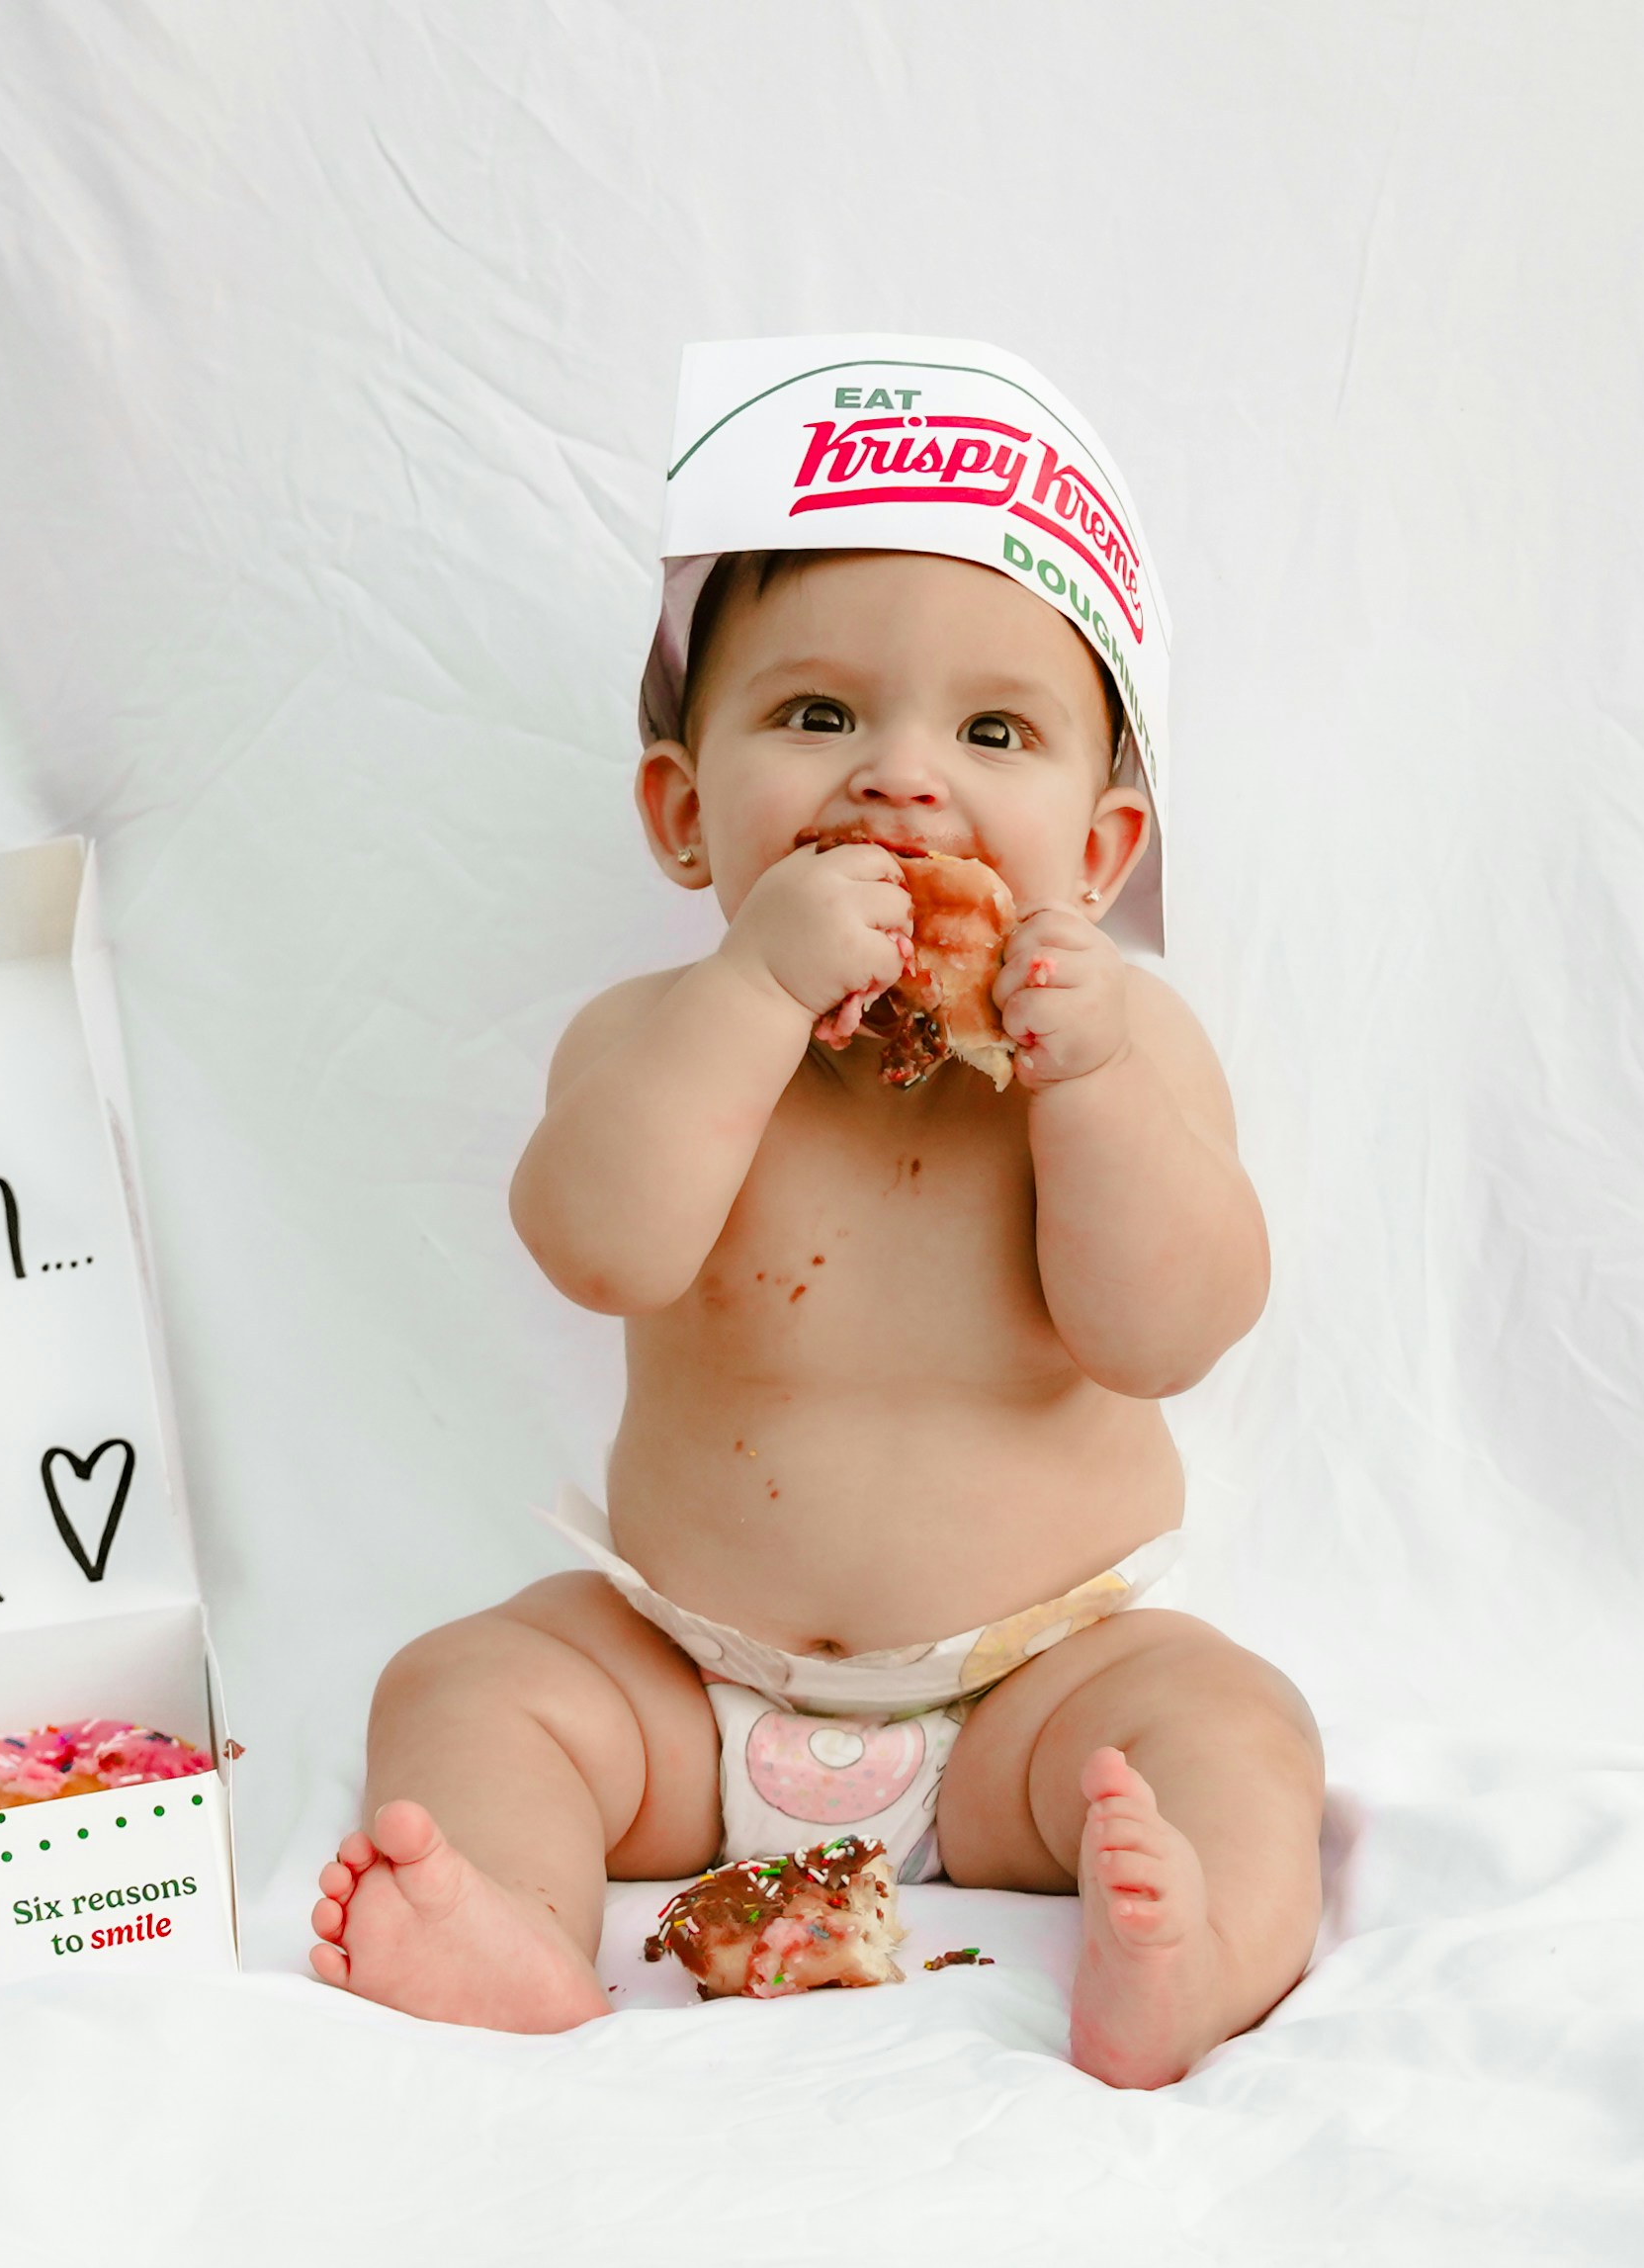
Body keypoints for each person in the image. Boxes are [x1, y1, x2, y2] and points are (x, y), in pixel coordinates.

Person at [308, 337, 1319, 2087]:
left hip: (1033, 1691)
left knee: (1235, 1722)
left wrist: (1090, 1088)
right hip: (683, 1689)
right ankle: (514, 1938)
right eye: (817, 715)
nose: (902, 779)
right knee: (462, 1683)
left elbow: (1169, 1331)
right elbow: (597, 1242)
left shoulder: (1126, 1049)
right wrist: (756, 994)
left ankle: (1194, 1951)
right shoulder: (656, 1038)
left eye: (993, 730)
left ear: (1099, 849)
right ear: (685, 816)